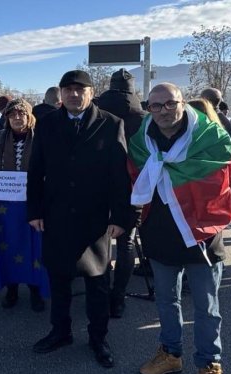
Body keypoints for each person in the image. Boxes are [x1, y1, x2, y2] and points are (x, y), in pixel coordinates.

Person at [130, 83, 231, 374]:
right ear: (148, 108)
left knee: (207, 308)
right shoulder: (142, 141)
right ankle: (170, 353)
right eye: (156, 105)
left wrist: (226, 214)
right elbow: (132, 176)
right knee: (166, 300)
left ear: (183, 103)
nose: (163, 110)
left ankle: (209, 366)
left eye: (170, 103)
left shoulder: (211, 138)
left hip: (202, 237)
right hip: (162, 235)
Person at [27, 70, 134, 369]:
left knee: (97, 283)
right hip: (56, 215)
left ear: (91, 92)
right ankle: (60, 332)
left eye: (80, 89)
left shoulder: (111, 124)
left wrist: (121, 216)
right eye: (68, 89)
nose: (74, 94)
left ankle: (98, 338)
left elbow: (119, 176)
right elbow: (36, 171)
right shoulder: (46, 124)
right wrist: (33, 211)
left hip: (95, 219)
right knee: (59, 279)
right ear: (61, 94)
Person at [0, 98, 46, 312]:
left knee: (35, 247)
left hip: (34, 202)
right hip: (6, 204)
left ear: (29, 117)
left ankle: (36, 289)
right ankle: (12, 288)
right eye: (12, 115)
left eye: (22, 114)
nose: (17, 118)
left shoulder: (41, 139)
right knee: (9, 244)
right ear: (7, 118)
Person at [95, 68, 145, 319]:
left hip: (99, 182)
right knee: (125, 242)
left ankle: (100, 290)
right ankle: (118, 298)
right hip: (132, 183)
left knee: (98, 239)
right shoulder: (144, 115)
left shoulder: (95, 110)